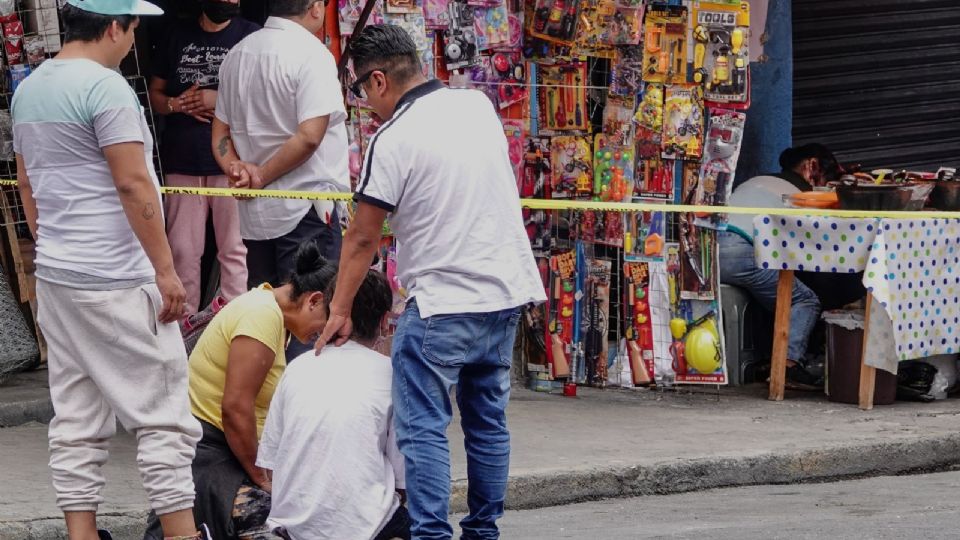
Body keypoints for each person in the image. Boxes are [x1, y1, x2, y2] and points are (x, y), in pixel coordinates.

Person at [317, 25, 547, 540]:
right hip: (504, 293)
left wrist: (338, 311)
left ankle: (431, 536)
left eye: (359, 90)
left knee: (423, 429)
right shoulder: (477, 106)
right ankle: (483, 532)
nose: (364, 103)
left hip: (443, 302)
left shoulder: (392, 138)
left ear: (378, 80)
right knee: (487, 424)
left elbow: (360, 239)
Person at [11, 1, 208, 538]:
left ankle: (80, 532)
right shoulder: (107, 87)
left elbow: (28, 185)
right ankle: (181, 532)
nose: (131, 41)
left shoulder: (30, 87)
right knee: (164, 413)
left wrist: (50, 243)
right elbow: (132, 183)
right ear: (116, 26)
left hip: (59, 276)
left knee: (75, 414)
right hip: (116, 276)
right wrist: (165, 271)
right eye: (134, 28)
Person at [144, 242, 338, 540]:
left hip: (226, 450)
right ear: (314, 300)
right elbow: (235, 408)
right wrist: (260, 477)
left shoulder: (270, 312)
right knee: (278, 520)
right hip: (209, 454)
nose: (324, 334)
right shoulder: (261, 315)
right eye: (328, 323)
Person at [212, 0, 348, 361]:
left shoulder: (237, 55)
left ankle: (268, 408)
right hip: (305, 210)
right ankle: (301, 410)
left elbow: (219, 132)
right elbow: (310, 137)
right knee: (312, 316)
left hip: (257, 216)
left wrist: (236, 168)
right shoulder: (311, 54)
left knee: (265, 317)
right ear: (315, 7)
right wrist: (257, 174)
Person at [257, 270, 410, 540]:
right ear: (385, 322)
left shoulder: (296, 368)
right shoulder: (392, 374)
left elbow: (270, 463)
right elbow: (404, 480)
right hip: (366, 530)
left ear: (331, 313)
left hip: (291, 530)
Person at [148, 0, 259, 315]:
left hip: (232, 161)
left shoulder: (252, 36)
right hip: (182, 159)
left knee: (235, 249)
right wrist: (176, 104)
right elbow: (155, 94)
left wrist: (218, 99)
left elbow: (261, 96)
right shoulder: (176, 34)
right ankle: (184, 328)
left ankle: (235, 325)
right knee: (182, 250)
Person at [721, 143, 862, 389]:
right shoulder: (801, 195)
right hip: (741, 252)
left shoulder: (760, 181)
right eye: (826, 179)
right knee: (803, 301)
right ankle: (787, 367)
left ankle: (769, 359)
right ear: (811, 167)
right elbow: (811, 244)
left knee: (779, 293)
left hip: (710, 251)